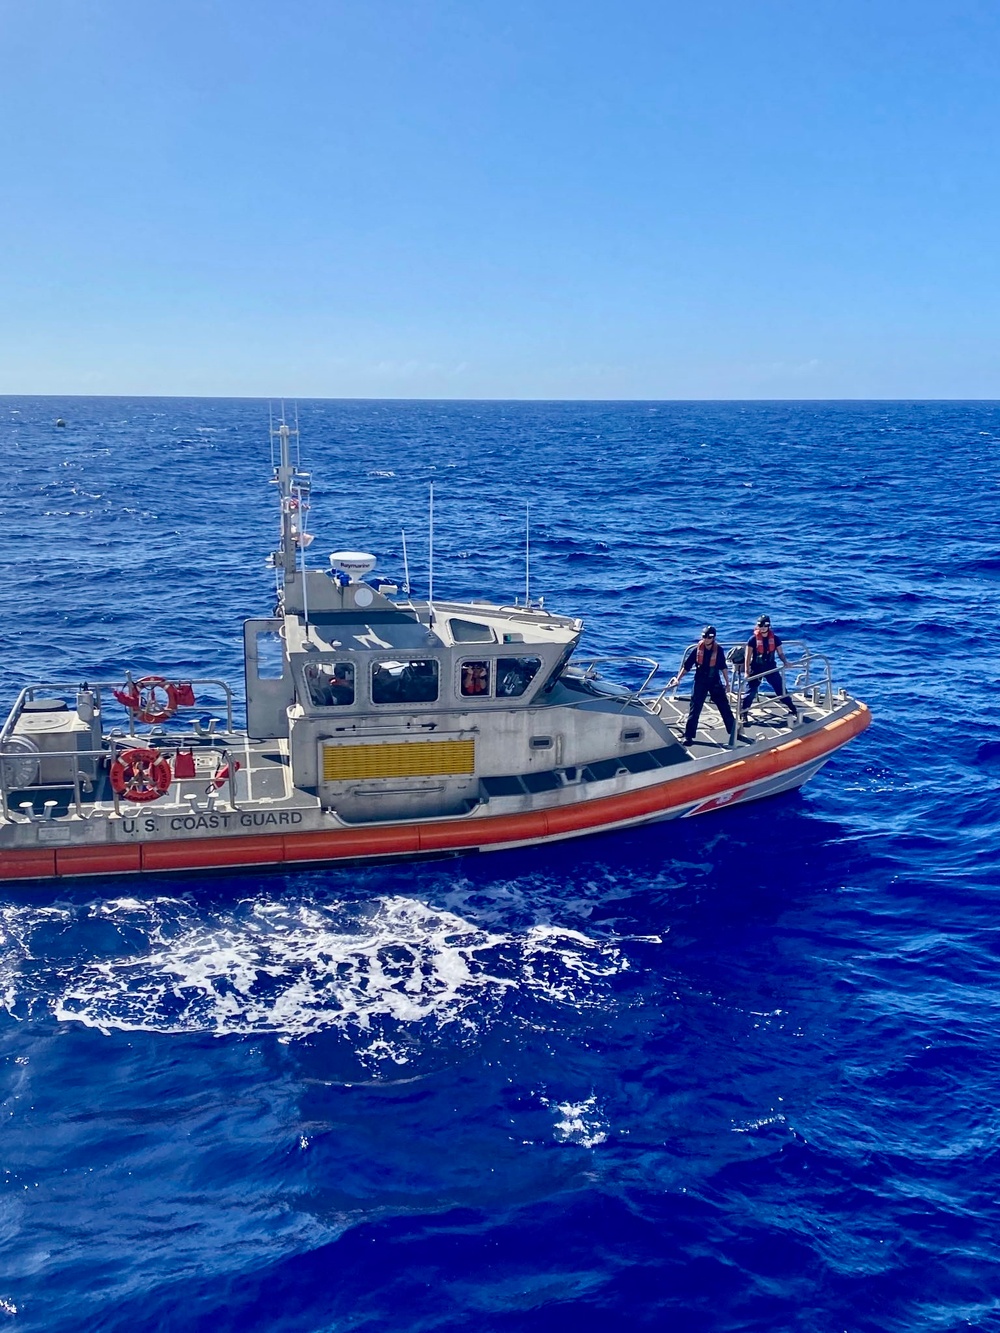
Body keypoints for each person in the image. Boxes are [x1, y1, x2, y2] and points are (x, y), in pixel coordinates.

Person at [670, 625, 736, 745]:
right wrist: (678, 679)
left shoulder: (718, 650)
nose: (706, 639)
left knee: (724, 706)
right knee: (695, 708)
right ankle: (688, 736)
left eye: (708, 637)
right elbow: (687, 666)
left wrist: (727, 683)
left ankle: (734, 732)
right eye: (704, 637)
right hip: (700, 681)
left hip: (714, 681)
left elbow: (723, 667)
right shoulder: (697, 650)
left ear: (713, 638)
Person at [741, 615, 797, 721]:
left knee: (781, 690)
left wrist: (785, 662)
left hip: (770, 667)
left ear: (768, 626)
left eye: (764, 625)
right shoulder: (752, 639)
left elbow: (780, 653)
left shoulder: (775, 639)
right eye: (760, 625)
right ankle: (744, 714)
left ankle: (793, 709)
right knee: (750, 692)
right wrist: (746, 671)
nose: (762, 628)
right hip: (756, 668)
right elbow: (747, 656)